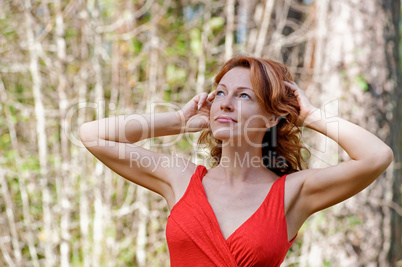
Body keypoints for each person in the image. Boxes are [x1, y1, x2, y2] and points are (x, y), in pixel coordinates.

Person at [79, 56, 393, 266]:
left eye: (243, 96)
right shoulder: (181, 178)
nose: (225, 104)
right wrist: (176, 120)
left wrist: (311, 116)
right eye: (220, 93)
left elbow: (377, 156)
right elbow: (93, 135)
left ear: (271, 117)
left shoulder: (292, 193)